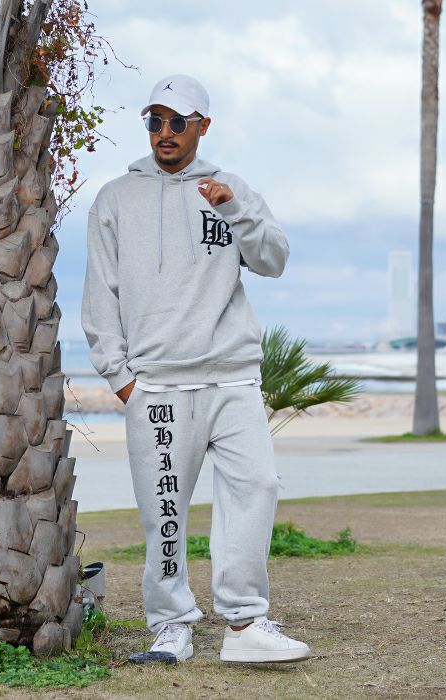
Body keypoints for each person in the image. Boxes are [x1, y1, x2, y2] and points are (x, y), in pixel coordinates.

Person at [81, 74, 312, 664]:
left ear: (202, 126)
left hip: (232, 377)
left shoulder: (229, 188)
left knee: (257, 487)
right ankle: (171, 625)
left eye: (177, 121)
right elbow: (100, 294)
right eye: (155, 120)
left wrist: (231, 209)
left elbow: (274, 260)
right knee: (164, 511)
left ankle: (244, 623)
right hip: (156, 386)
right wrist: (121, 379)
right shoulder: (115, 199)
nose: (165, 132)